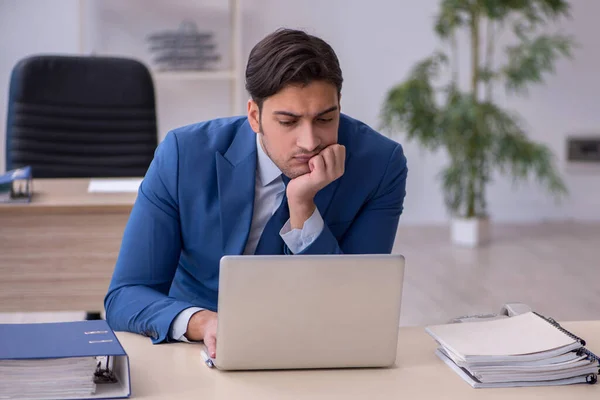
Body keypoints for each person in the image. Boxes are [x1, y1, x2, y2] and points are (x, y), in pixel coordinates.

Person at [104, 28, 408, 357]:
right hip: (199, 350)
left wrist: (302, 206)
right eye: (288, 122)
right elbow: (126, 296)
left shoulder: (380, 165)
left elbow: (354, 307)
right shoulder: (184, 155)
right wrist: (204, 323)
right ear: (254, 116)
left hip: (317, 347)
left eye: (325, 118)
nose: (309, 141)